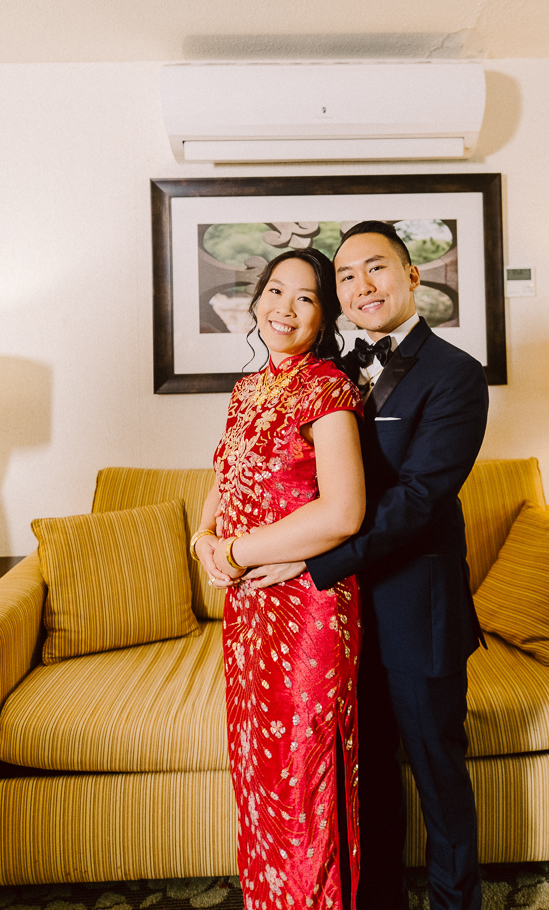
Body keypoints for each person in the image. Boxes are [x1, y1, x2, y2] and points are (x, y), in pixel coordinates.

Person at [249, 221, 489, 910]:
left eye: (376, 268)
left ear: (411, 275)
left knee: (438, 775)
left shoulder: (455, 374)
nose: (363, 286)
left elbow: (418, 499)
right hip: (339, 617)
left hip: (416, 611)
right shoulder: (330, 372)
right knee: (366, 776)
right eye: (346, 277)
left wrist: (312, 560)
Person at [193, 248, 366, 910]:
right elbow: (224, 477)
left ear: (325, 317)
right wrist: (203, 539)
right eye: (275, 291)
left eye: (305, 297)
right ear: (257, 298)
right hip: (248, 612)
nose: (284, 309)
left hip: (308, 612)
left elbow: (343, 513)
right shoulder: (247, 389)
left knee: (302, 779)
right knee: (259, 770)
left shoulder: (328, 389)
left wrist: (234, 550)